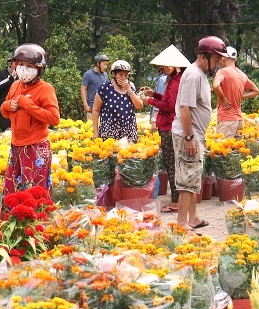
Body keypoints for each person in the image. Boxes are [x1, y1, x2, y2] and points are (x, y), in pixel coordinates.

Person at [172, 36, 225, 231]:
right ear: (204, 57)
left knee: (193, 176)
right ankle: (181, 224)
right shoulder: (193, 75)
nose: (218, 62)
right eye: (216, 58)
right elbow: (185, 108)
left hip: (195, 134)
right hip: (188, 135)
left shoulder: (200, 74)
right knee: (187, 179)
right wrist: (189, 138)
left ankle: (193, 218)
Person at [0, 43, 60, 194]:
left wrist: (28, 105)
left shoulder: (45, 89)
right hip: (16, 147)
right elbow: (4, 111)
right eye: (21, 64)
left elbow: (54, 118)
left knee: (34, 193)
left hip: (36, 148)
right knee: (12, 191)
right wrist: (7, 106)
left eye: (29, 66)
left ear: (39, 69)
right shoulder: (15, 86)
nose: (24, 69)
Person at [140, 44, 191, 213]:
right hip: (168, 125)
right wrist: (153, 94)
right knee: (172, 163)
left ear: (172, 66)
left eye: (165, 66)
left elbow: (169, 105)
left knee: (172, 164)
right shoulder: (174, 80)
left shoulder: (176, 81)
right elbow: (168, 99)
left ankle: (176, 202)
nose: (163, 69)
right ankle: (176, 199)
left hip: (170, 126)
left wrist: (150, 102)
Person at [212, 46, 259, 139]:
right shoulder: (242, 74)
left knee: (223, 150)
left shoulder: (222, 72)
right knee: (236, 152)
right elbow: (256, 91)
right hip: (238, 120)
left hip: (226, 119)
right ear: (235, 59)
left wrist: (223, 98)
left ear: (223, 58)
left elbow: (215, 85)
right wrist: (240, 96)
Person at [92, 60, 143, 143]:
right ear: (113, 74)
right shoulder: (105, 88)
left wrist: (128, 89)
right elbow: (96, 110)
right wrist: (95, 131)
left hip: (128, 135)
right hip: (109, 135)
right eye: (120, 75)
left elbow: (139, 105)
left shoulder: (130, 87)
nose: (123, 78)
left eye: (126, 75)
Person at [81, 53, 110, 119]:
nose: (106, 67)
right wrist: (85, 105)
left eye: (106, 64)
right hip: (92, 107)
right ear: (97, 64)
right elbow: (83, 89)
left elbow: (108, 89)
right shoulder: (88, 74)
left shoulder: (105, 74)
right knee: (91, 128)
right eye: (104, 64)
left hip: (104, 107)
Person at [0, 52, 16, 131]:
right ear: (9, 63)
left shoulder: (22, 75)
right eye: (13, 61)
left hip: (18, 109)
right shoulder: (1, 74)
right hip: (5, 108)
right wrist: (11, 78)